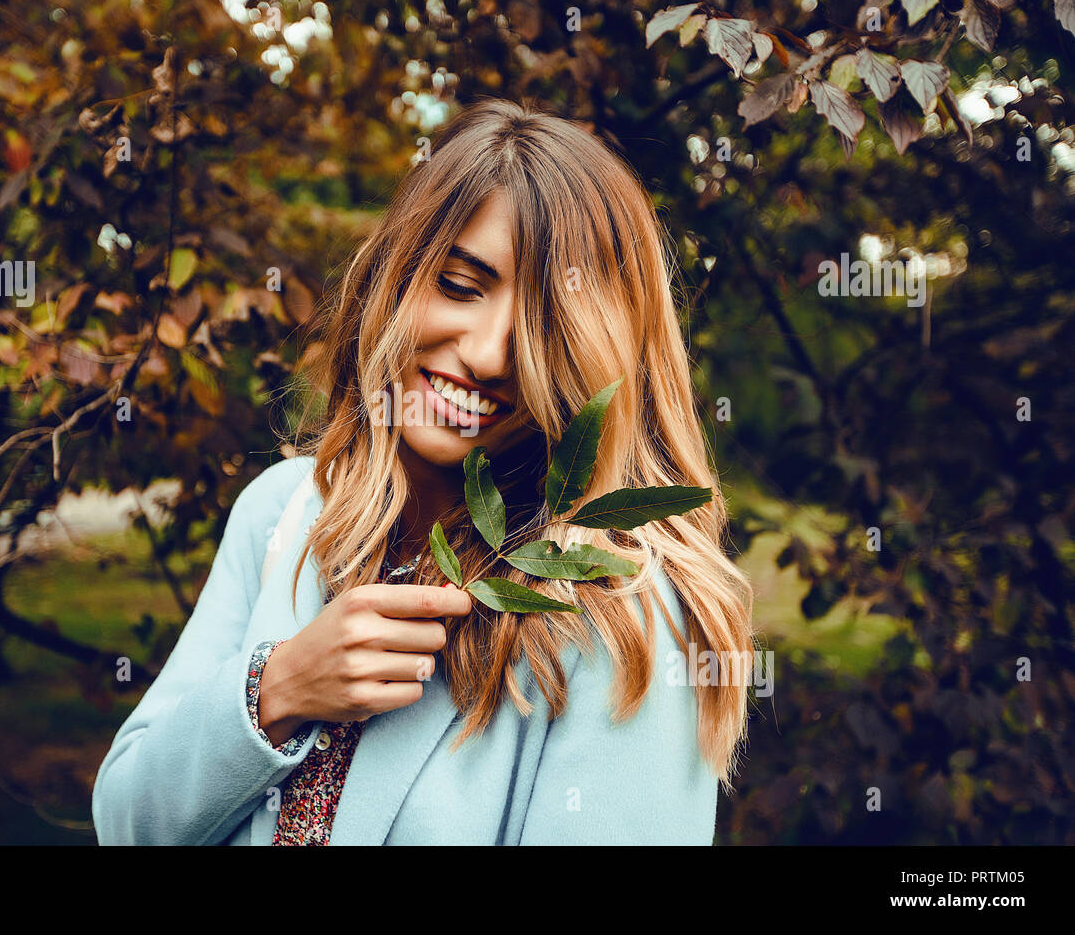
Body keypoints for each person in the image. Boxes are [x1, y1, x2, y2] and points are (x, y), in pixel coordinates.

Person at [92, 97, 754, 845]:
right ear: (395, 277)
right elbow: (127, 823)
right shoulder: (282, 511)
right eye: (459, 286)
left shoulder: (619, 611)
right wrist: (275, 690)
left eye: (542, 321)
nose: (486, 352)